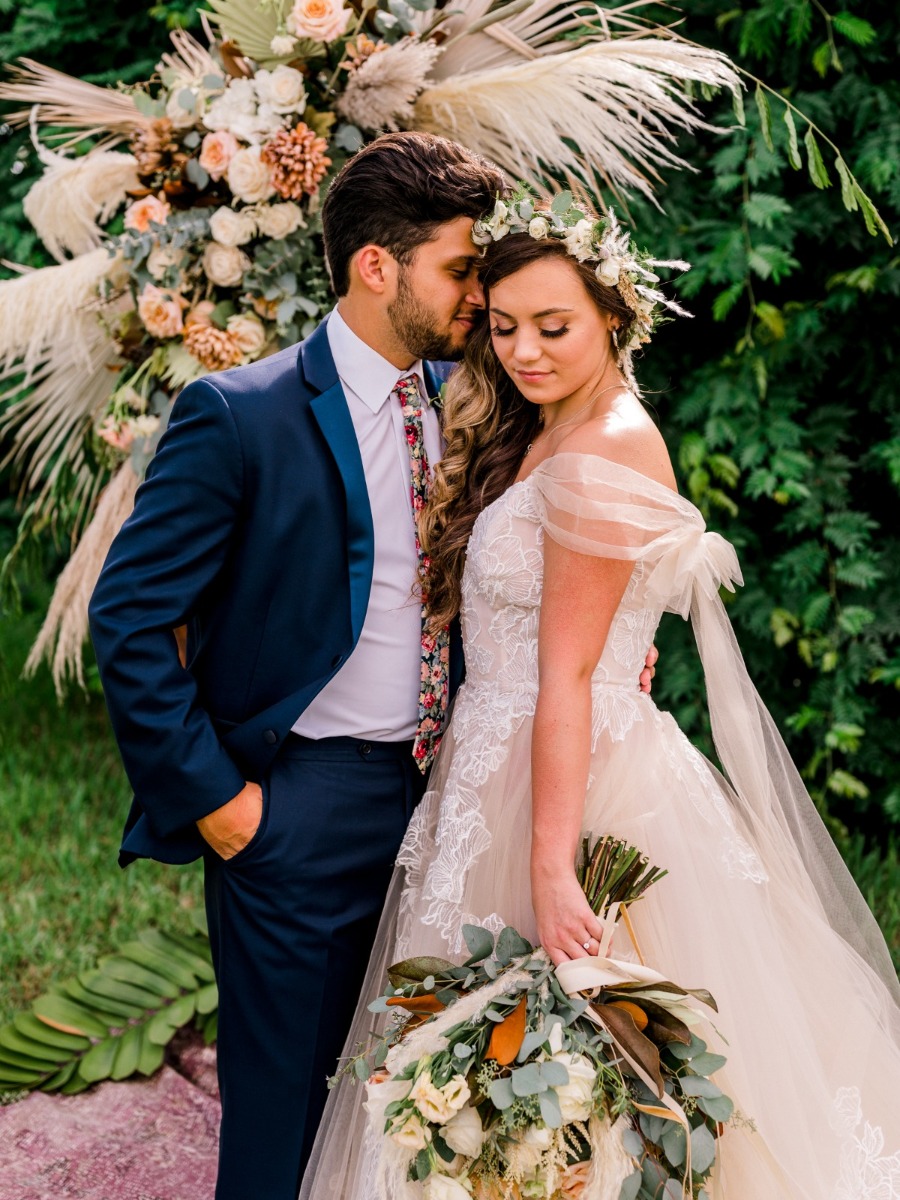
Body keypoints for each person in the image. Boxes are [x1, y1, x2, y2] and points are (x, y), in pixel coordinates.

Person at [88, 131, 659, 1200]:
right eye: (458, 269)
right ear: (375, 265)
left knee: (419, 1114)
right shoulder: (241, 415)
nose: (477, 297)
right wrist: (221, 805)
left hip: (454, 805)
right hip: (300, 805)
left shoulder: (482, 399)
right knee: (287, 1116)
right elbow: (128, 619)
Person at [299, 192, 900, 1199]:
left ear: (613, 318)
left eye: (553, 327)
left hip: (570, 779)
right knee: (499, 1066)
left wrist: (550, 867)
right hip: (505, 754)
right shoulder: (545, 424)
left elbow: (569, 671)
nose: (524, 352)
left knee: (590, 1067)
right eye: (503, 327)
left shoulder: (607, 443)